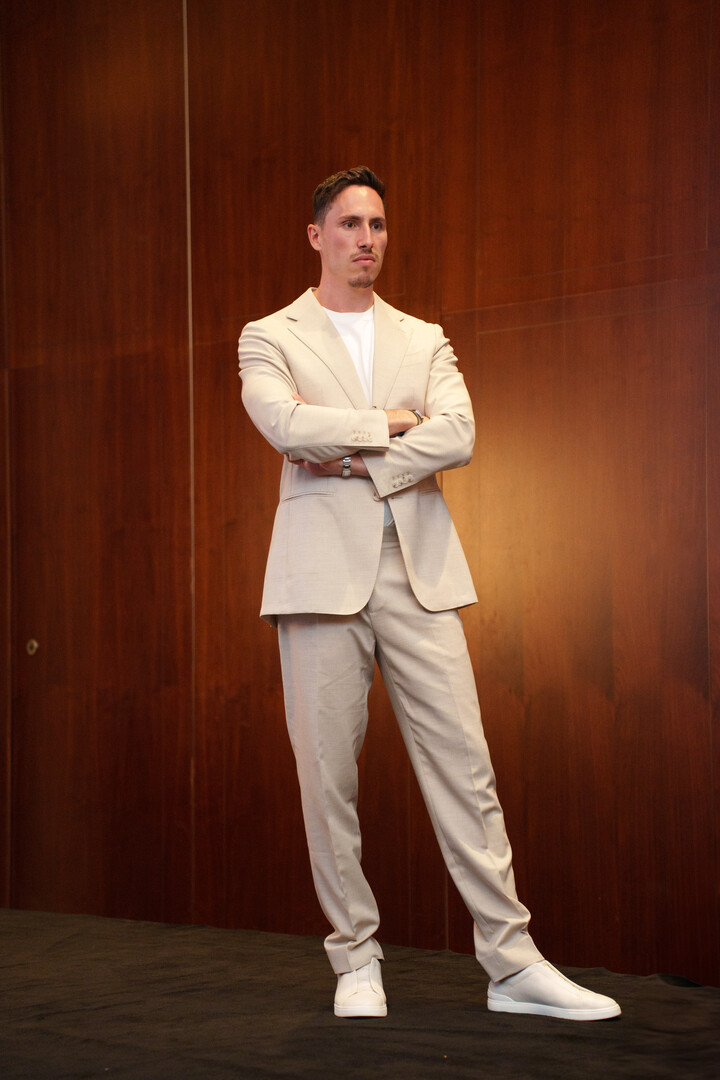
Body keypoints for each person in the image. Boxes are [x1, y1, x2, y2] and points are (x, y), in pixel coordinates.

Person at [238, 167, 620, 1022]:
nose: (366, 239)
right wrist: (389, 426)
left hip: (419, 568)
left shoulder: (424, 337)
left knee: (465, 768)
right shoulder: (268, 335)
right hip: (317, 578)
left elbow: (460, 434)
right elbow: (284, 425)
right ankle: (355, 960)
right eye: (350, 224)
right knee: (326, 779)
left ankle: (513, 965)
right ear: (317, 235)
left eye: (377, 224)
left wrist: (348, 457)